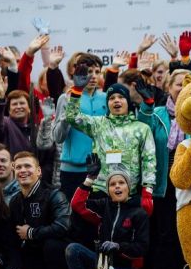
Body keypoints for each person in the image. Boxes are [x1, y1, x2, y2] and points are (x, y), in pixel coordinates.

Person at [65, 64, 156, 216]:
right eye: (112, 98)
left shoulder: (141, 128)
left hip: (129, 191)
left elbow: (149, 160)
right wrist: (77, 92)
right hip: (101, 190)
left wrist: (147, 190)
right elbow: (72, 117)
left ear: (128, 101)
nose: (116, 101)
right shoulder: (98, 124)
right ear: (107, 104)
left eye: (121, 97)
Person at [137, 69, 191, 269]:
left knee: (188, 236)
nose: (181, 88)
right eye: (178, 84)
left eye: (187, 84)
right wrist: (147, 105)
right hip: (163, 186)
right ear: (169, 87)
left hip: (190, 187)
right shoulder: (158, 113)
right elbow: (142, 129)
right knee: (164, 236)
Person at [67, 158, 149, 269]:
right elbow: (77, 204)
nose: (117, 186)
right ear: (109, 190)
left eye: (121, 183)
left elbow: (142, 248)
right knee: (73, 249)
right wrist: (90, 178)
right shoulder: (104, 206)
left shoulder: (138, 213)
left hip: (125, 267)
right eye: (112, 184)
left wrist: (119, 247)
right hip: (102, 264)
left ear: (128, 188)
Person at [7, 151, 71, 269]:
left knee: (52, 245)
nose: (23, 170)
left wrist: (32, 233)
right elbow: (12, 239)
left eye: (27, 166)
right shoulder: (15, 201)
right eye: (19, 167)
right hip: (33, 254)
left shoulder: (54, 195)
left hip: (60, 253)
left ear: (39, 171)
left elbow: (63, 227)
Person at [52, 53, 108, 200]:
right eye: (89, 72)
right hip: (72, 172)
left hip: (101, 170)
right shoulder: (66, 98)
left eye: (97, 72)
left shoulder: (107, 98)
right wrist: (67, 116)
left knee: (100, 218)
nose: (93, 76)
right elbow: (57, 137)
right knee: (74, 218)